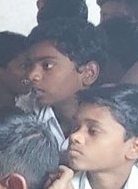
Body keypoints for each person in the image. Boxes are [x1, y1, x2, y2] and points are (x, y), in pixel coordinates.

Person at [23, 18, 104, 151]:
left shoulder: (112, 126)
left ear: (89, 73)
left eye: (47, 65)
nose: (32, 75)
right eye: (29, 65)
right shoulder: (25, 113)